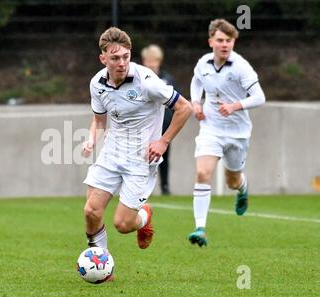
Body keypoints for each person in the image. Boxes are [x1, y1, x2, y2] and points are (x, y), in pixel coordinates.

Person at [81, 27, 192, 252]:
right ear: (103, 58)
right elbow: (99, 121)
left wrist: (163, 141)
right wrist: (92, 138)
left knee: (122, 224)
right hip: (112, 151)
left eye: (125, 56)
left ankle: (144, 217)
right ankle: (100, 262)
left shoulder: (147, 81)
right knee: (91, 211)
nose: (121, 63)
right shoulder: (97, 84)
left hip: (141, 158)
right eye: (115, 58)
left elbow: (185, 108)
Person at [188, 19, 266, 247]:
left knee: (232, 181)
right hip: (211, 128)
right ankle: (200, 228)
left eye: (229, 41)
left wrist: (236, 105)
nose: (224, 45)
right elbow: (196, 81)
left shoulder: (241, 66)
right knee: (203, 172)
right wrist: (195, 103)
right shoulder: (203, 63)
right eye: (220, 40)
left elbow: (260, 97)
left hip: (238, 133)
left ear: (234, 42)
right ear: (211, 41)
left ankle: (242, 187)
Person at [141, 44, 179, 195]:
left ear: (159, 61)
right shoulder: (139, 79)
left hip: (163, 127)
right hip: (144, 127)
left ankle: (165, 187)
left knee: (163, 156)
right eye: (148, 61)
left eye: (154, 61)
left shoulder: (167, 80)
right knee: (142, 157)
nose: (151, 64)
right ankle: (140, 189)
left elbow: (178, 104)